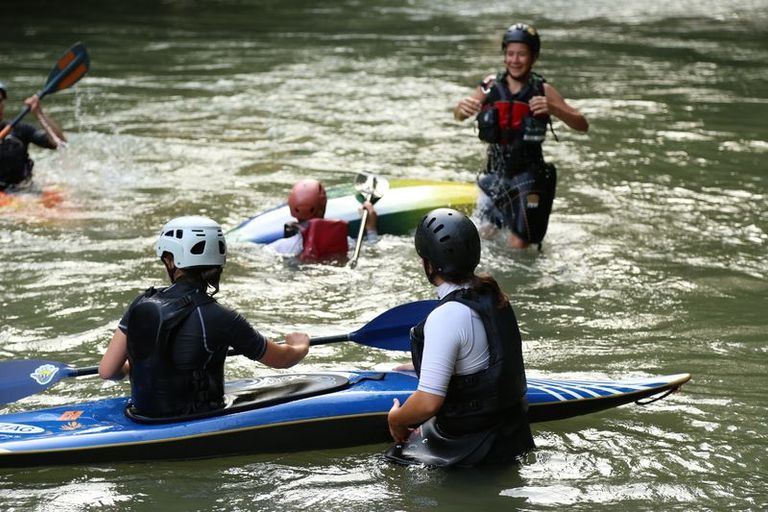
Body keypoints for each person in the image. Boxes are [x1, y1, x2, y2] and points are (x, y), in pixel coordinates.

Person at [99, 215, 310, 419]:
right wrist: (300, 345)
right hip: (197, 416)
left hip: (141, 415)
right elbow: (282, 359)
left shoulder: (142, 302)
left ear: (170, 261)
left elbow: (108, 371)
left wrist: (141, 366)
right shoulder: (221, 317)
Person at [386, 208, 534, 467]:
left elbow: (428, 403)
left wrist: (396, 420)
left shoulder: (446, 316)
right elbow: (482, 356)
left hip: (471, 449)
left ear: (428, 264)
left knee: (389, 464)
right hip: (514, 434)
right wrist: (431, 364)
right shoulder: (492, 295)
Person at [453, 23, 589, 249]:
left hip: (529, 176)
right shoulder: (490, 85)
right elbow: (458, 115)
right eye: (510, 54)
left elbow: (582, 125)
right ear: (504, 55)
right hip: (495, 174)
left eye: (521, 54)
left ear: (534, 57)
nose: (515, 60)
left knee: (518, 244)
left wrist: (554, 109)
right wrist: (461, 110)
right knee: (485, 234)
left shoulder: (543, 90)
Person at [267, 178, 378, 261]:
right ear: (323, 206)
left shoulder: (278, 248)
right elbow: (372, 253)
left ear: (292, 208)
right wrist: (371, 227)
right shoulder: (346, 242)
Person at [0, 81, 67, 191]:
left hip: (22, 191)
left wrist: (39, 113)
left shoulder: (19, 129)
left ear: (3, 103)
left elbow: (60, 143)